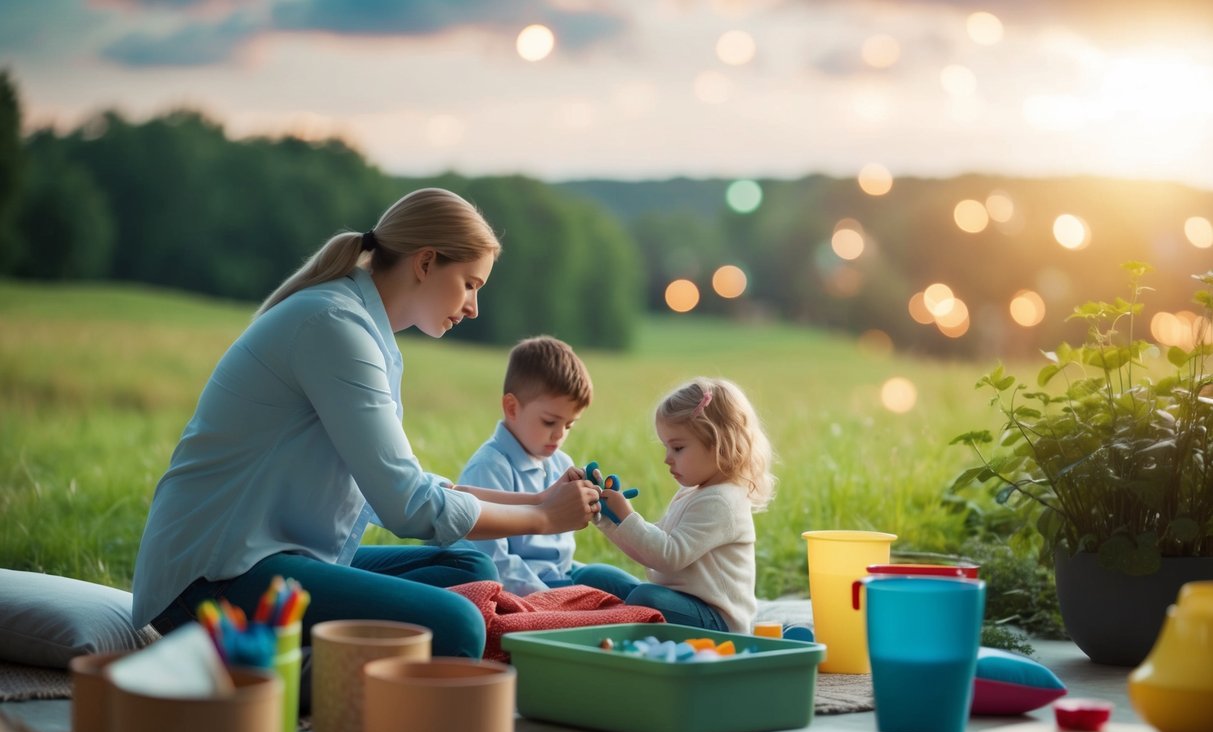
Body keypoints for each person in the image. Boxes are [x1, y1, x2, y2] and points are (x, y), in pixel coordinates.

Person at [131, 188, 603, 660]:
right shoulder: (335, 327)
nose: (473, 306)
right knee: (458, 623)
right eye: (470, 284)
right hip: (213, 580)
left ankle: (322, 657)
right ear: (425, 263)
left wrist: (540, 499)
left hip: (274, 557)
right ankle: (273, 673)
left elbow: (402, 488)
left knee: (468, 567)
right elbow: (410, 507)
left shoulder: (359, 327)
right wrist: (543, 518)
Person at [573, 377, 775, 633]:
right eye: (666, 447)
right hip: (679, 602)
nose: (667, 459)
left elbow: (667, 556)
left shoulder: (723, 501)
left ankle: (617, 623)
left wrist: (626, 516)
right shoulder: (693, 491)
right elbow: (650, 550)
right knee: (594, 577)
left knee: (645, 600)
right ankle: (619, 620)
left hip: (717, 622)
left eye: (678, 448)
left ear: (720, 445)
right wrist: (608, 516)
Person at [456, 335, 593, 595]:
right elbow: (495, 563)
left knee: (611, 579)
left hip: (560, 575)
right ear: (512, 408)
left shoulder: (561, 463)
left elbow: (560, 556)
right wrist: (550, 598)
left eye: (569, 425)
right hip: (521, 586)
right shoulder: (489, 469)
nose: (559, 434)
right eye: (549, 422)